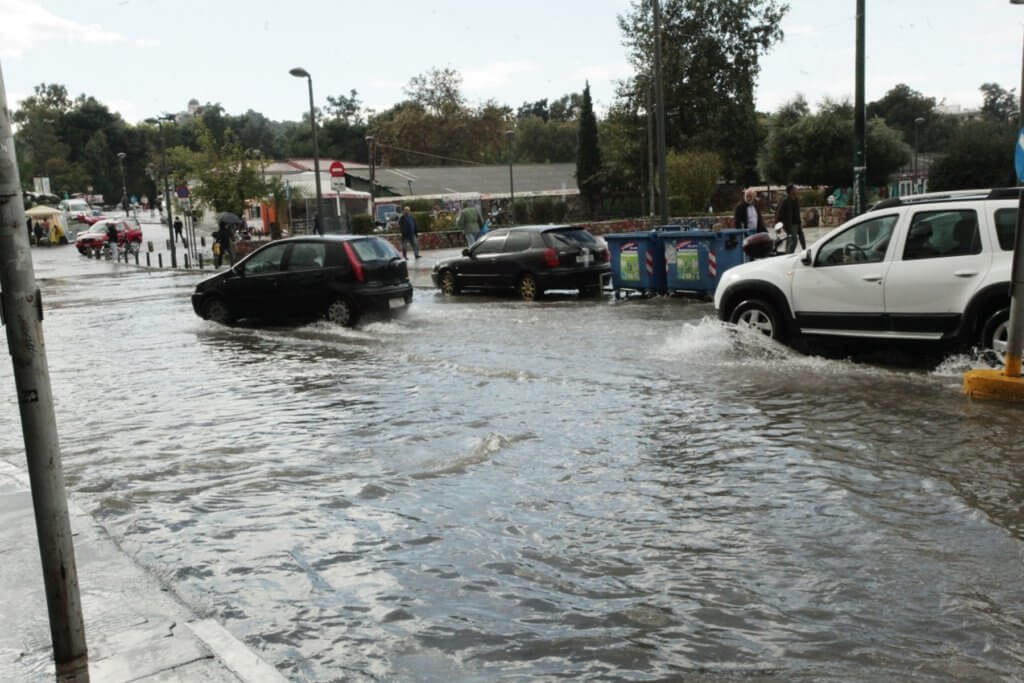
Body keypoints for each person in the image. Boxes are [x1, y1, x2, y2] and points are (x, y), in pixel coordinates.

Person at [777, 184, 804, 253]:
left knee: (801, 238)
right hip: (789, 224)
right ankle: (789, 254)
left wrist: (800, 223)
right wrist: (778, 227)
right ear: (791, 191)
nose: (796, 189)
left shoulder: (796, 200)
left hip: (797, 223)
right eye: (794, 188)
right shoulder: (785, 201)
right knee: (793, 239)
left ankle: (804, 251)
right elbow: (779, 214)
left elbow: (797, 212)